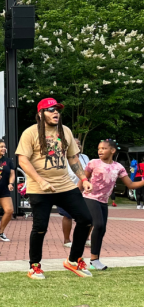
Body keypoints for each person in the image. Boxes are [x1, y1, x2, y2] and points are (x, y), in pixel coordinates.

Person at [15, 97, 94, 280]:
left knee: (86, 219)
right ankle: (34, 266)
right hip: (39, 187)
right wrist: (40, 180)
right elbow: (23, 160)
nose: (55, 112)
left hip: (65, 185)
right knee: (40, 226)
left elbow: (73, 157)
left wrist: (83, 178)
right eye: (50, 110)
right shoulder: (30, 133)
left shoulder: (65, 131)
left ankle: (73, 260)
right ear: (40, 114)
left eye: (57, 109)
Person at [83, 140, 144, 270]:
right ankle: (91, 259)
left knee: (102, 229)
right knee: (98, 225)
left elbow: (131, 185)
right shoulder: (93, 163)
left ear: (112, 151)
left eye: (104, 148)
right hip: (90, 197)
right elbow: (82, 180)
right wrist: (75, 196)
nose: (100, 151)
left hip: (104, 201)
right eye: (99, 148)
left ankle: (95, 261)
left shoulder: (119, 167)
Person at [58, 137, 90, 247]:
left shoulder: (85, 157)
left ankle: (86, 238)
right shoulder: (62, 158)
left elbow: (88, 172)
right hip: (66, 189)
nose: (79, 146)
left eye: (79, 144)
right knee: (68, 215)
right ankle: (67, 240)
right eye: (76, 144)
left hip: (84, 191)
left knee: (89, 215)